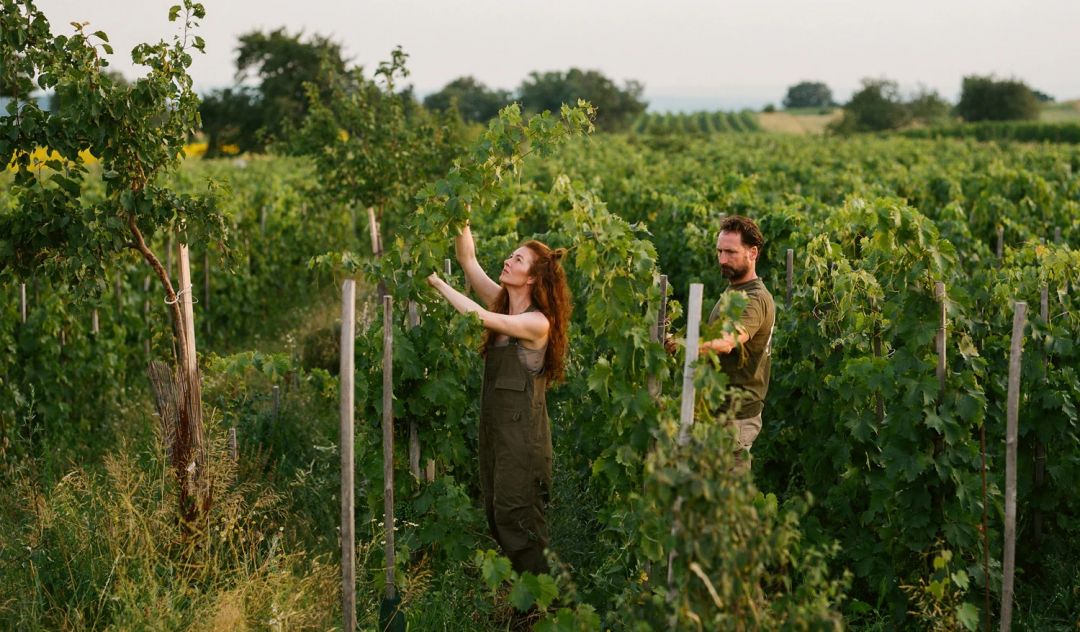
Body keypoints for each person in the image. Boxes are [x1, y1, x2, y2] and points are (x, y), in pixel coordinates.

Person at [426, 222, 571, 575]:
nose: (508, 261)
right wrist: (462, 220)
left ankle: (554, 606)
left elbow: (479, 317)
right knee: (497, 514)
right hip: (497, 436)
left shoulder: (537, 323)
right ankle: (530, 605)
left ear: (533, 277)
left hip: (523, 444)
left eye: (517, 259)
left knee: (519, 521)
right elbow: (469, 259)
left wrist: (437, 283)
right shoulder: (504, 308)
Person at [699, 215, 775, 474]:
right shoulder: (735, 290)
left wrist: (690, 345)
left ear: (753, 252)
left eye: (730, 252)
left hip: (736, 417)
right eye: (719, 251)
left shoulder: (755, 299)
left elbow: (729, 340)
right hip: (720, 411)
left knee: (726, 500)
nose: (722, 259)